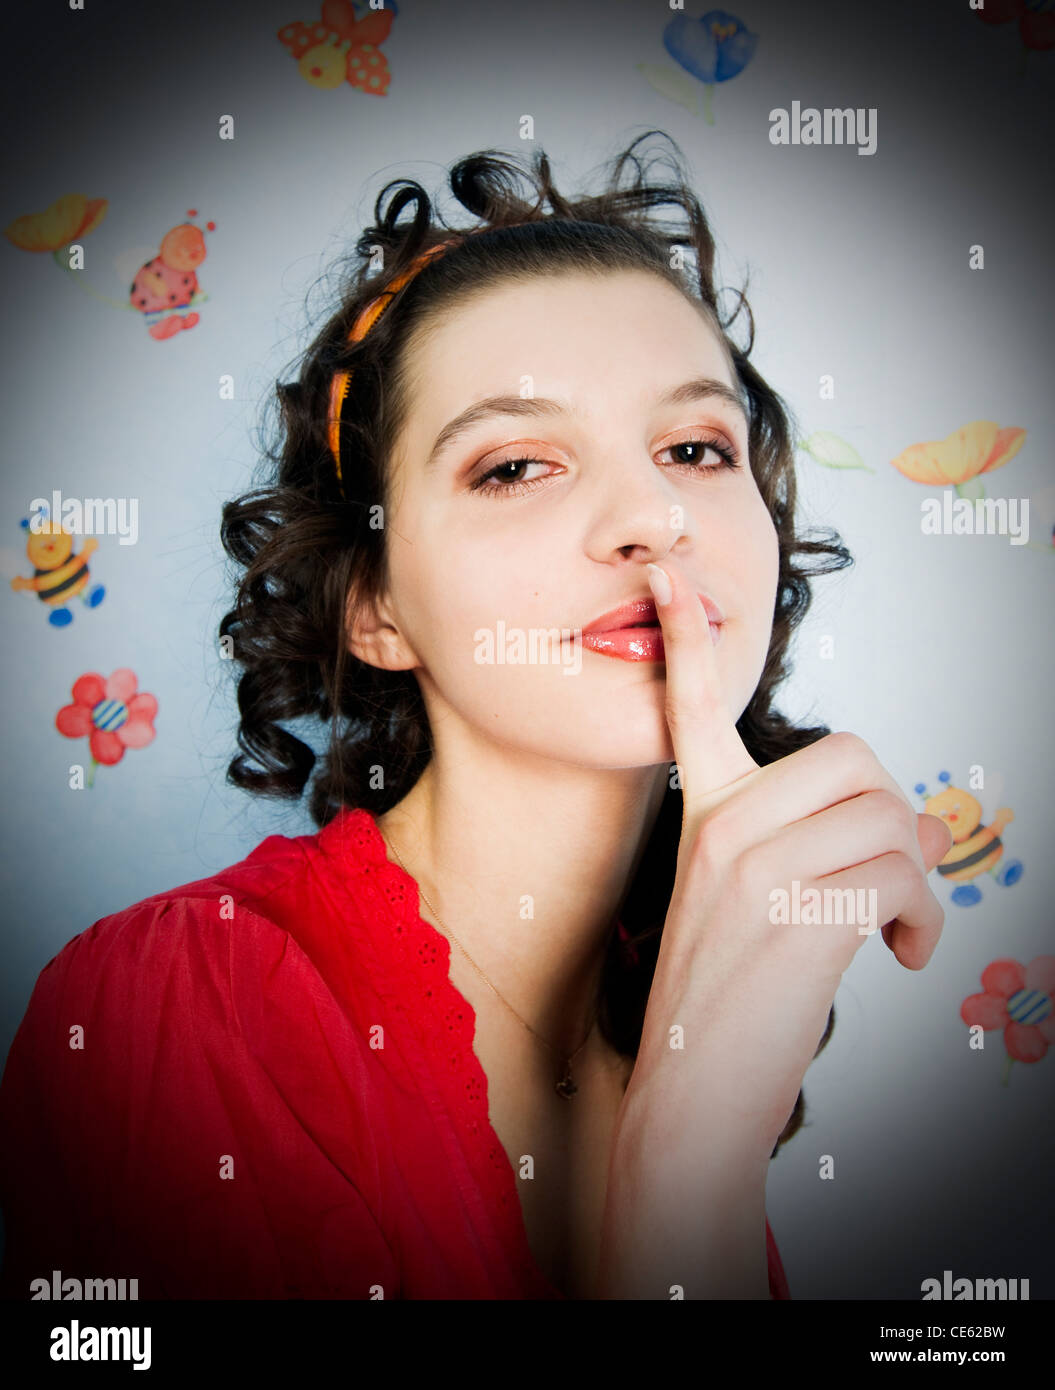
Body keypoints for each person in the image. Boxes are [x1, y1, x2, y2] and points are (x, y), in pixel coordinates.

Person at [0, 130, 951, 1301]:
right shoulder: (172, 1005)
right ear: (376, 608)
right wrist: (679, 1179)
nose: (654, 514)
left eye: (695, 447)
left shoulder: (696, 996)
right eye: (513, 466)